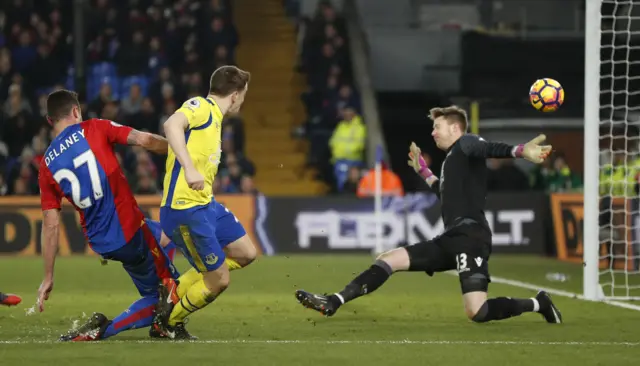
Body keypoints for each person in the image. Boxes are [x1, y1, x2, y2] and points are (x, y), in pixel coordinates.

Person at [295, 105, 563, 324]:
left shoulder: (467, 143)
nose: (433, 132)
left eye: (437, 126)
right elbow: (446, 193)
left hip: (471, 237)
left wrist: (519, 151)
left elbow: (487, 148)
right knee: (388, 259)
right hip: (450, 238)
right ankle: (334, 301)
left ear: (455, 128)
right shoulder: (453, 161)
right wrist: (423, 171)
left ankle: (539, 303)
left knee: (477, 312)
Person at [36, 89, 180, 341]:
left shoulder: (46, 165)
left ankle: (162, 306)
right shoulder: (95, 128)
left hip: (102, 239)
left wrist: (48, 276)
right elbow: (145, 140)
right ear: (75, 111)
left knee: (168, 234)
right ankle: (104, 329)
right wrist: (181, 151)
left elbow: (50, 225)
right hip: (129, 230)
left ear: (50, 120)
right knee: (170, 295)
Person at [153, 65, 252, 340]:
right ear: (234, 95)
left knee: (246, 253)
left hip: (206, 204)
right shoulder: (201, 107)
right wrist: (188, 167)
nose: (242, 101)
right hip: (185, 208)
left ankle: (175, 287)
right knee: (219, 279)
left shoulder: (217, 120)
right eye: (243, 95)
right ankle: (167, 322)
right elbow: (171, 124)